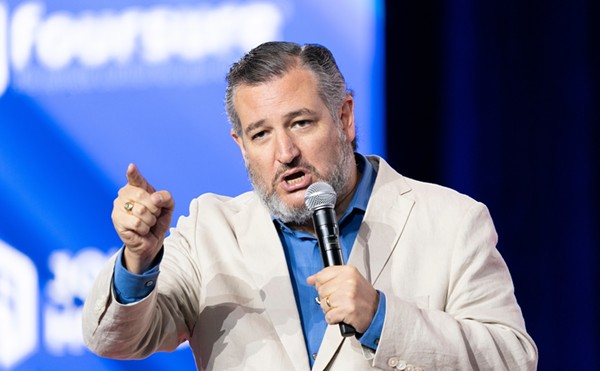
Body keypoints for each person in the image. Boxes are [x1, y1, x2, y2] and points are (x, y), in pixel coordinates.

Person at [82, 41, 538, 370]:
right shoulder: (211, 231)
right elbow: (114, 341)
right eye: (261, 134)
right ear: (241, 146)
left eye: (300, 123)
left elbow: (512, 360)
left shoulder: (451, 222)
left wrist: (382, 317)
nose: (285, 153)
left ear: (345, 117)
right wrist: (139, 259)